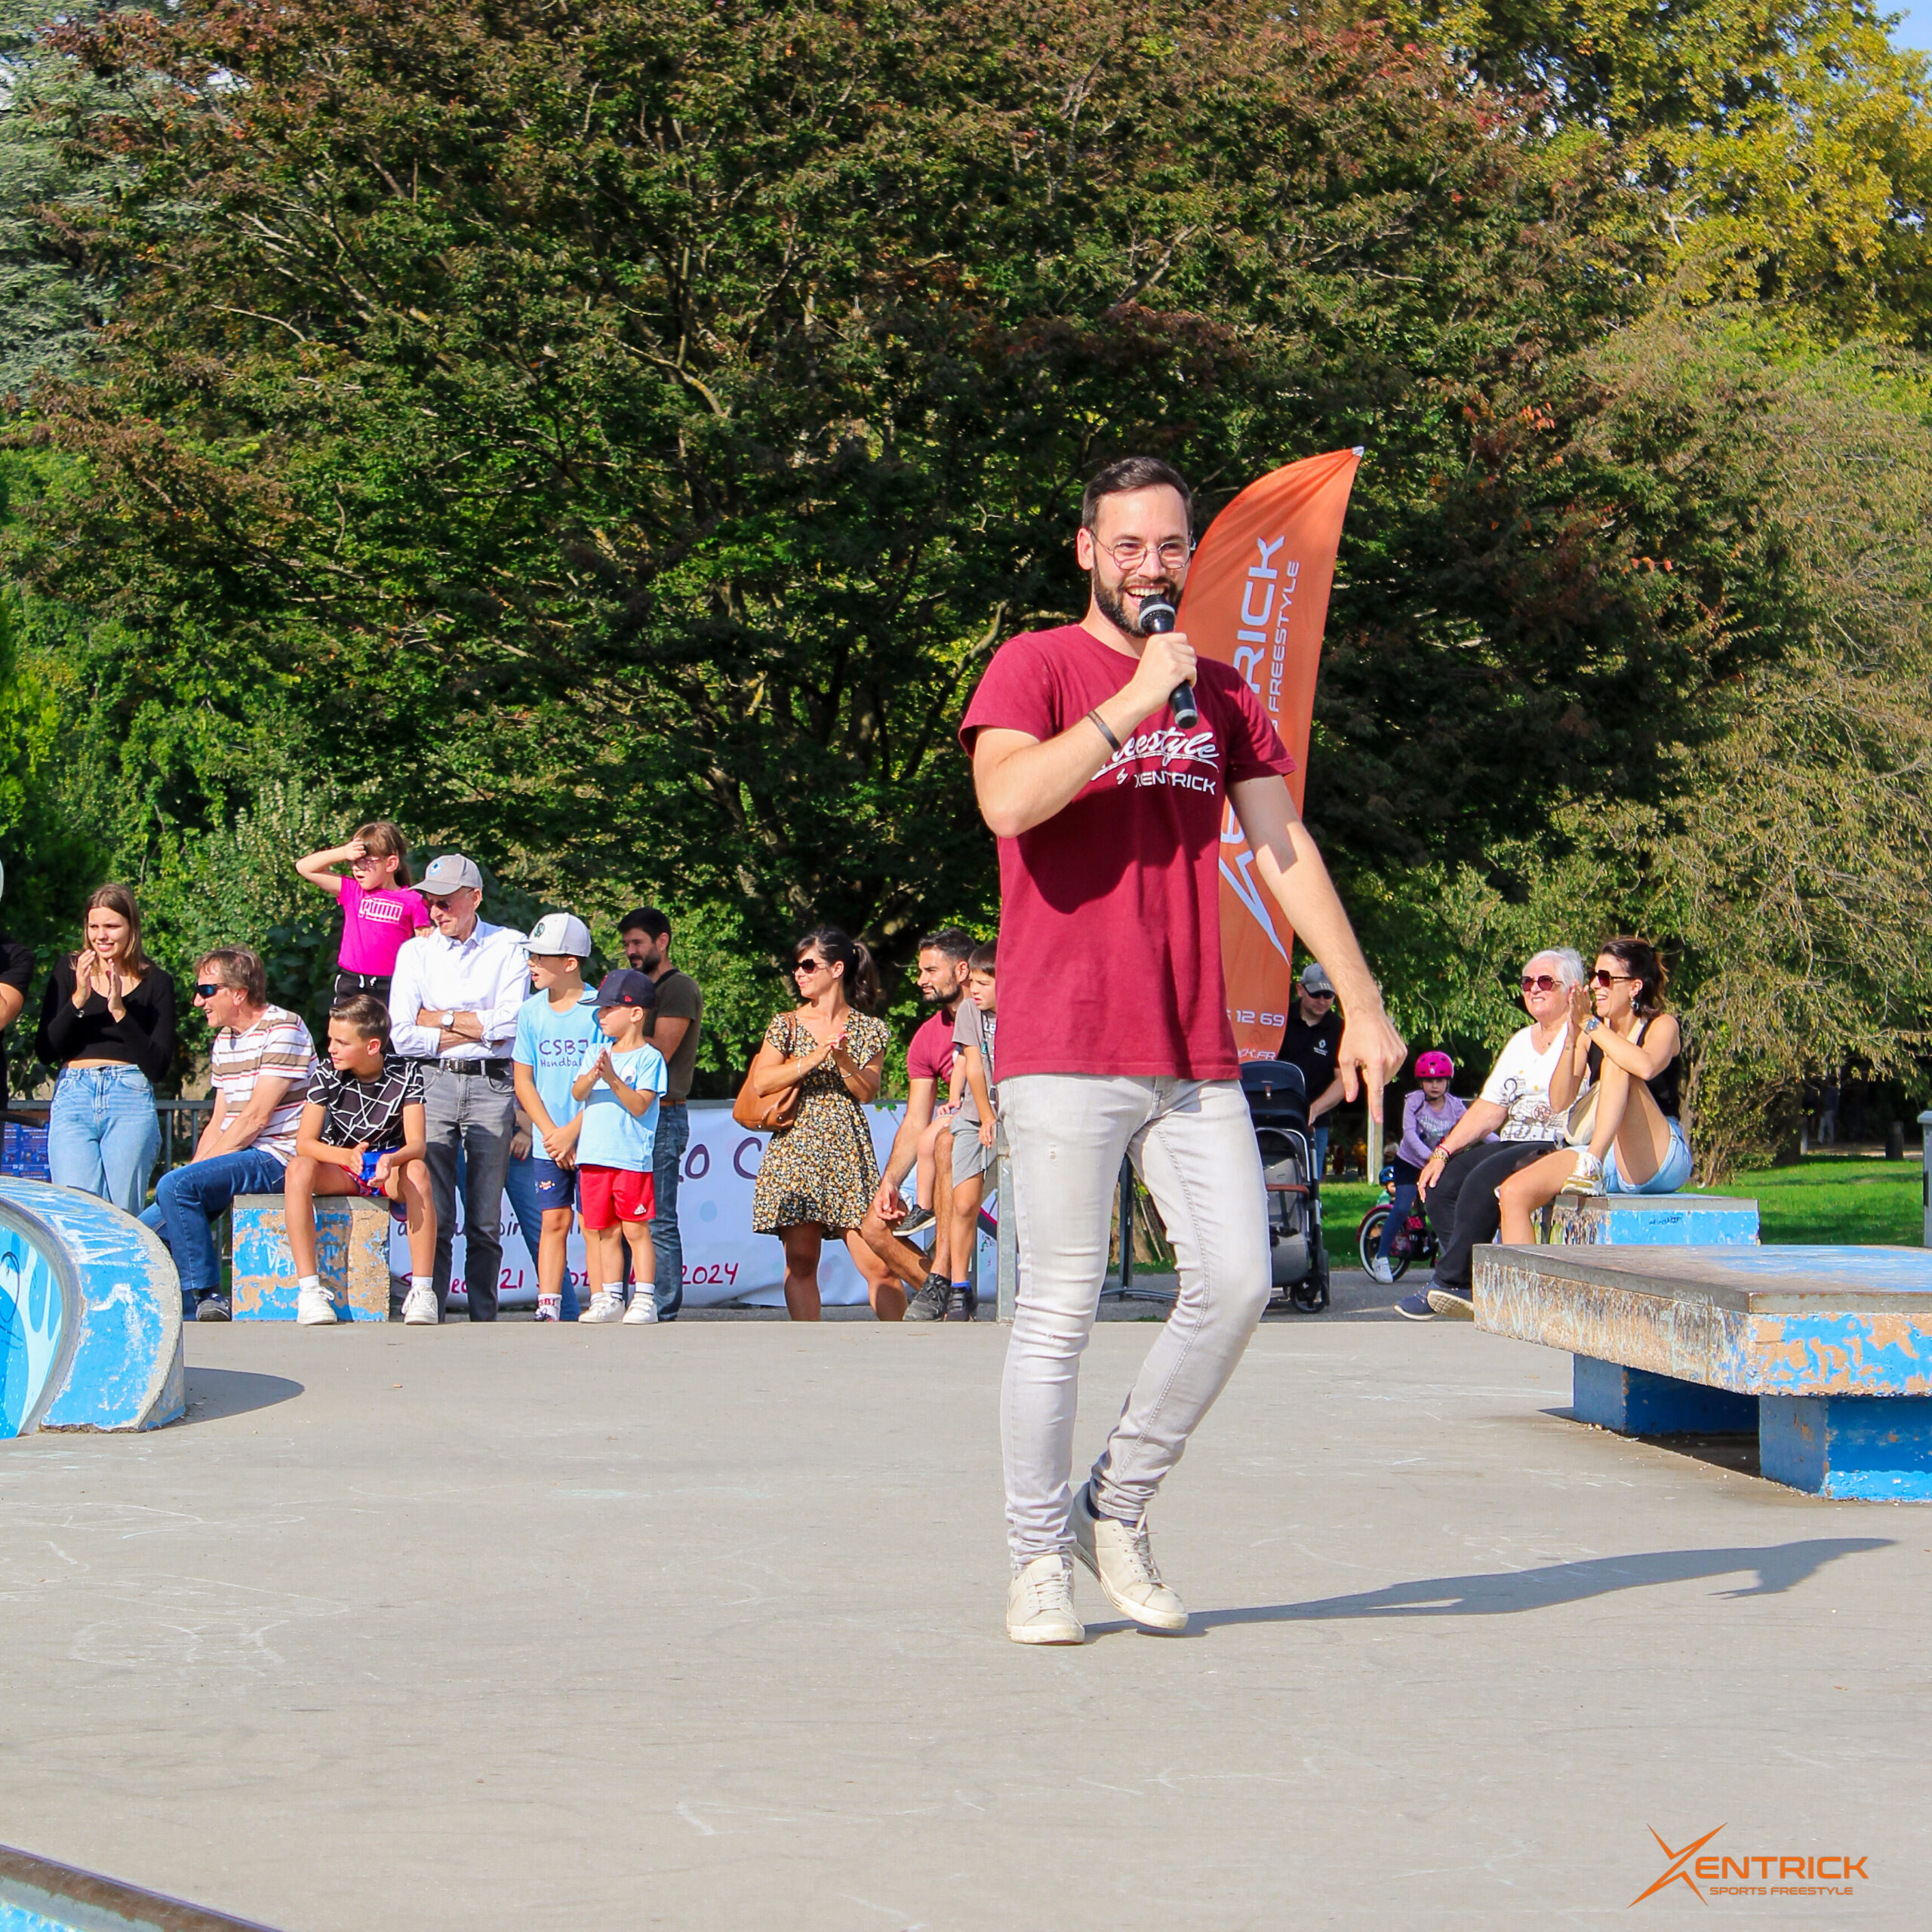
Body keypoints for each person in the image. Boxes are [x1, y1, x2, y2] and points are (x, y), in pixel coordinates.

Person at [962, 454, 1404, 1644]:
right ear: (1086, 551)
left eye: (1169, 547)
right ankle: (1037, 1559)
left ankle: (1114, 1502)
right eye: (1128, 546)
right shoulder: (1036, 666)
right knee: (1057, 1309)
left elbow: (1282, 847)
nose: (1149, 567)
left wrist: (1362, 999)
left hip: (1190, 1045)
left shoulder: (1224, 693)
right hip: (1064, 1040)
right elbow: (1009, 803)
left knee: (1242, 1281)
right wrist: (1128, 705)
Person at [1395, 947, 1584, 1321]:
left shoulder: (1583, 1036)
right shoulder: (1521, 1041)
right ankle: (1470, 1281)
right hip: (1515, 1139)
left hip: (1556, 1141)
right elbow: (1489, 1107)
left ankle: (1449, 1281)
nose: (1534, 988)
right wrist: (1442, 1153)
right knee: (1440, 1185)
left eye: (1545, 981)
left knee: (1482, 1180)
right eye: (1527, 982)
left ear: (1572, 990)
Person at [386, 854, 528, 1323]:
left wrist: (439, 1017)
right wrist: (476, 1027)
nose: (435, 911)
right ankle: (433, 1305)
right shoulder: (415, 952)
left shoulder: (510, 945)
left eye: (445, 901)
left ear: (475, 898)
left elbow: (510, 1027)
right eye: (430, 901)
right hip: (431, 1080)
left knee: (486, 1217)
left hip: (492, 1082)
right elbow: (401, 1035)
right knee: (436, 1209)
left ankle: (484, 1316)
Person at [142, 947, 315, 1321]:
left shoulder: (284, 1028)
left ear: (238, 993)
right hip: (241, 1154)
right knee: (139, 1232)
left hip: (279, 1158)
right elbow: (220, 1120)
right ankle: (156, 1308)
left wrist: (188, 1179)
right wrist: (194, 1172)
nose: (197, 1001)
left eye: (206, 990)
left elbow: (255, 1118)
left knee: (176, 1187)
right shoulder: (224, 1040)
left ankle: (205, 1297)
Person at [747, 927, 900, 1321]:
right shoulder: (786, 1024)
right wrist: (812, 1059)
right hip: (796, 1144)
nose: (798, 973)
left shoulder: (870, 1029)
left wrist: (844, 1060)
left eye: (808, 965)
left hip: (848, 1146)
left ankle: (903, 1344)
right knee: (801, 1261)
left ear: (836, 969)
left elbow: (867, 1092)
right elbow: (762, 1081)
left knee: (878, 1260)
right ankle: (808, 1348)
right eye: (796, 966)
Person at [1494, 937, 1690, 1240]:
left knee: (1616, 1062)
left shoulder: (1663, 1026)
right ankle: (1525, 1275)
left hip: (1658, 1155)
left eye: (1605, 978)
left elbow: (1646, 1067)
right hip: (1610, 1154)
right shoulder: (1591, 1031)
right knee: (1514, 1192)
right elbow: (1559, 1101)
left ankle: (1592, 1164)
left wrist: (1589, 1023)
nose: (1596, 985)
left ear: (1635, 987)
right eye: (1593, 975)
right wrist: (1572, 1037)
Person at [284, 995, 435, 1327]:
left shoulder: (407, 1071)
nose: (331, 1049)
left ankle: (423, 1290)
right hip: (342, 1166)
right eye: (330, 1040)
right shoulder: (326, 1073)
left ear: (372, 1046)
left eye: (341, 1042)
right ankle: (309, 1290)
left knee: (418, 1171)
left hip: (389, 1168)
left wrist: (390, 1160)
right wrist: (346, 1156)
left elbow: (417, 1145)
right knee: (298, 1169)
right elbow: (304, 1143)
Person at [36, 884, 177, 1214]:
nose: (101, 936)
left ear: (131, 927)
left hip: (129, 1095)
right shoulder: (68, 970)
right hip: (75, 1092)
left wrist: (119, 1011)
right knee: (77, 1211)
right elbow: (45, 1051)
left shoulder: (157, 982)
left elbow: (158, 1067)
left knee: (122, 1214)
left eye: (111, 926)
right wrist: (78, 1000)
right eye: (94, 926)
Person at [859, 930, 975, 1312]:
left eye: (930, 971)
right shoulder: (927, 1036)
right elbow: (914, 1120)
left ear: (961, 971)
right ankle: (946, 1295)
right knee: (874, 1226)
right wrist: (890, 1182)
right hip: (952, 1145)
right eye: (920, 971)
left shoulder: (998, 1018)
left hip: (1000, 1141)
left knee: (946, 1141)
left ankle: (947, 1281)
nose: (921, 980)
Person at [511, 912, 602, 1322]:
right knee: (553, 1220)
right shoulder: (531, 1012)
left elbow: (607, 1080)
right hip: (550, 1142)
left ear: (570, 963)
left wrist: (572, 1133)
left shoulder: (599, 1009)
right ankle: (547, 1305)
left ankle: (603, 1299)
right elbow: (523, 1080)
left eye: (540, 957)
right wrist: (551, 1134)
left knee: (595, 1224)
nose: (531, 964)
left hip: (593, 1137)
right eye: (530, 955)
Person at [617, 907, 704, 1319]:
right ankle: (619, 1298)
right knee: (622, 1217)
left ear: (663, 941)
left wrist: (616, 1035)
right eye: (627, 944)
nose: (631, 951)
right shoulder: (631, 987)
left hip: (663, 1114)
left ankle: (663, 1306)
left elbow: (661, 1051)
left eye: (638, 943)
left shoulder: (678, 988)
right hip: (627, 1113)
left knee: (657, 1218)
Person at [568, 969, 667, 1324]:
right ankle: (609, 1297)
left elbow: (640, 1105)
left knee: (635, 1229)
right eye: (600, 1009)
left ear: (636, 1013)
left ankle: (645, 1298)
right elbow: (577, 1093)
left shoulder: (649, 1058)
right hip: (594, 1157)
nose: (601, 1016)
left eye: (609, 1009)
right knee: (603, 1231)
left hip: (629, 1159)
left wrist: (611, 1079)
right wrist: (594, 1075)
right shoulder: (596, 1052)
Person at [910, 939, 1000, 1324]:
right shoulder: (968, 1013)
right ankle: (958, 1285)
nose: (974, 991)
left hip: (1016, 1113)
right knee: (964, 1202)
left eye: (983, 984)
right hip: (978, 1114)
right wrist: (982, 1114)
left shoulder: (1019, 1011)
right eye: (973, 983)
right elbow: (971, 1065)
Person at [295, 821, 431, 1001]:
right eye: (353, 862)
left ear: (391, 864)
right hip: (351, 983)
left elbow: (424, 943)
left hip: (391, 985)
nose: (356, 868)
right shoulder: (353, 891)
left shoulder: (413, 900)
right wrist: (343, 852)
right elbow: (304, 867)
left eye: (366, 862)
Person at [1367, 1051, 1468, 1284]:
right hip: (1410, 1163)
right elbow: (1410, 1135)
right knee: (1403, 1207)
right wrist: (1432, 1157)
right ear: (1421, 1082)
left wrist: (1501, 1142)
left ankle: (1450, 1261)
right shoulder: (1414, 1102)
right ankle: (1381, 1257)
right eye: (1429, 1080)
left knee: (1444, 1208)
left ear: (1448, 1081)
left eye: (1440, 1080)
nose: (1435, 1085)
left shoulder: (1455, 1107)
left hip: (1437, 1165)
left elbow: (1476, 1128)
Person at [1278, 961, 1345, 1178]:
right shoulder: (1280, 1018)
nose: (1322, 1001)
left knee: (1310, 1180)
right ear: (1300, 989)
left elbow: (1344, 1080)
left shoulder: (1339, 1028)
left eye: (1328, 995)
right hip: (1274, 1113)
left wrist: (1314, 1110)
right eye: (1316, 994)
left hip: (1315, 1123)